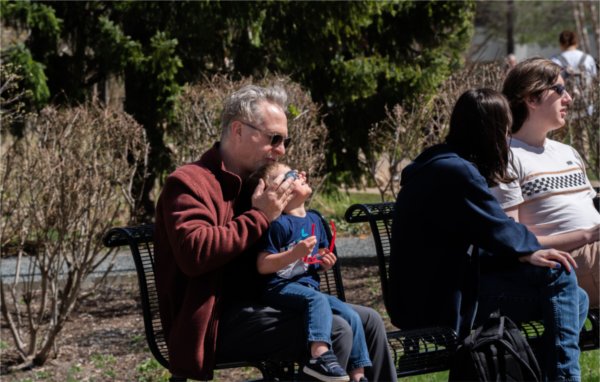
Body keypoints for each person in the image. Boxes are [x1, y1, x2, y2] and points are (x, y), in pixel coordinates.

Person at [153, 84, 397, 381]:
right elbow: (195, 253)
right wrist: (260, 216)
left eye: (285, 141)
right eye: (274, 139)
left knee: (368, 320)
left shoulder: (258, 183)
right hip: (215, 322)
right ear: (238, 130)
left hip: (268, 303)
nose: (281, 150)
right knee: (337, 330)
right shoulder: (190, 183)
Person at [388, 88, 588, 381]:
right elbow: (499, 228)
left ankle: (540, 373)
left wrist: (524, 250)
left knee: (575, 298)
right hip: (439, 304)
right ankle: (564, 377)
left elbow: (483, 235)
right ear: (493, 131)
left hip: (431, 292)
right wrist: (530, 249)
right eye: (506, 129)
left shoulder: (441, 163)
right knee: (558, 276)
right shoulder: (456, 172)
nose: (508, 138)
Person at [247, 162, 371, 382]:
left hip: (307, 289)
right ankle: (319, 355)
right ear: (277, 190)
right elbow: (262, 264)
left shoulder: (314, 219)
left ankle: (358, 375)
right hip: (278, 288)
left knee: (351, 315)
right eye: (293, 175)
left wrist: (325, 261)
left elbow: (317, 257)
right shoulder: (278, 224)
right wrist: (294, 253)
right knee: (317, 300)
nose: (302, 174)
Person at [493, 57, 600, 308]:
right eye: (559, 90)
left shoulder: (567, 153)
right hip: (563, 264)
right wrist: (586, 234)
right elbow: (511, 242)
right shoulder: (506, 158)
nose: (569, 99)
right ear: (531, 98)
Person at [551, 30, 597, 116]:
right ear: (576, 42)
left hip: (564, 108)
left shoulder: (554, 61)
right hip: (587, 106)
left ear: (561, 44)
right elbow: (594, 81)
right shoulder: (588, 58)